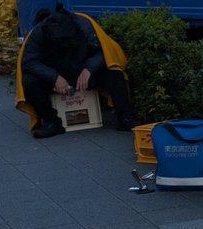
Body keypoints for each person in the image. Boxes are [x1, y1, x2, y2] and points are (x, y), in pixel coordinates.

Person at [18, 8, 132, 139]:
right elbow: (29, 61)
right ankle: (51, 122)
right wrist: (54, 77)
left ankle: (125, 118)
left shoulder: (84, 25)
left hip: (84, 70)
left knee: (114, 73)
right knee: (29, 81)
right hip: (55, 74)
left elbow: (103, 51)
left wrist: (89, 69)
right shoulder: (39, 33)